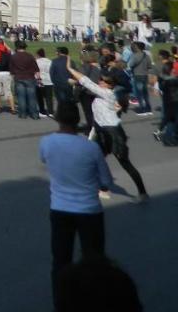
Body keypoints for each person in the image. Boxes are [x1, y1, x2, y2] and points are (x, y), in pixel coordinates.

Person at [39, 102, 111, 294]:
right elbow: (106, 181)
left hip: (60, 208)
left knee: (61, 261)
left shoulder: (46, 142)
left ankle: (62, 300)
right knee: (94, 260)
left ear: (57, 118)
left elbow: (44, 159)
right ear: (77, 120)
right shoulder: (90, 148)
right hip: (89, 209)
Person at [68, 64, 147, 200]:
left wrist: (70, 69)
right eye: (100, 79)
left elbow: (87, 82)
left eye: (102, 81)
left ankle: (142, 192)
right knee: (94, 160)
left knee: (125, 163)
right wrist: (93, 135)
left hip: (112, 133)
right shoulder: (105, 94)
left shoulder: (107, 93)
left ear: (109, 85)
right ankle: (101, 189)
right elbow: (100, 117)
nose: (99, 81)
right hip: (101, 131)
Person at [10, 41, 41, 120]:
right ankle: (34, 114)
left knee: (21, 97)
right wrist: (39, 78)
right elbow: (36, 69)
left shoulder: (14, 56)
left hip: (19, 78)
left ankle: (23, 114)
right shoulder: (30, 56)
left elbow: (11, 70)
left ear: (17, 47)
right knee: (32, 98)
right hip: (30, 77)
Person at [35, 48, 55, 117]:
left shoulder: (36, 61)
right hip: (49, 81)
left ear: (38, 55)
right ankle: (50, 112)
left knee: (40, 97)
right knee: (49, 97)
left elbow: (35, 71)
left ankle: (42, 111)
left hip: (40, 81)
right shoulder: (49, 61)